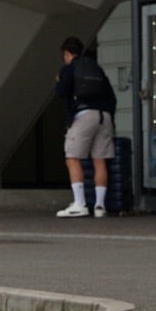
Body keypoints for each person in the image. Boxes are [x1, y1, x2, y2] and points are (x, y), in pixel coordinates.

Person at [55, 37, 116, 219]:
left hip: (83, 115)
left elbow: (61, 91)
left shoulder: (69, 69)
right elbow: (112, 97)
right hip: (104, 117)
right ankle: (100, 206)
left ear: (67, 53)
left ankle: (80, 204)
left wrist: (58, 81)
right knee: (100, 160)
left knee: (72, 158)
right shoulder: (96, 69)